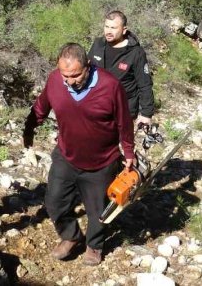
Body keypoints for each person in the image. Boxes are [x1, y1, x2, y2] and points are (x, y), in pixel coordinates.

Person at [23, 43, 135, 266]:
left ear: (88, 66)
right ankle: (71, 236)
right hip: (66, 154)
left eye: (75, 75)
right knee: (54, 201)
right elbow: (40, 108)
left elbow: (124, 121)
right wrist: (29, 129)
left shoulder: (110, 86)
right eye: (65, 75)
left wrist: (129, 150)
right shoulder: (56, 80)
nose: (69, 81)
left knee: (97, 211)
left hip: (102, 160)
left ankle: (94, 246)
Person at [88, 11, 156, 127]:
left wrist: (146, 113)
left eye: (113, 28)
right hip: (97, 105)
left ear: (124, 30)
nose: (108, 31)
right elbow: (87, 71)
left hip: (123, 109)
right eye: (106, 26)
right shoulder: (98, 44)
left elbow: (145, 84)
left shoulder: (136, 53)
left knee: (114, 143)